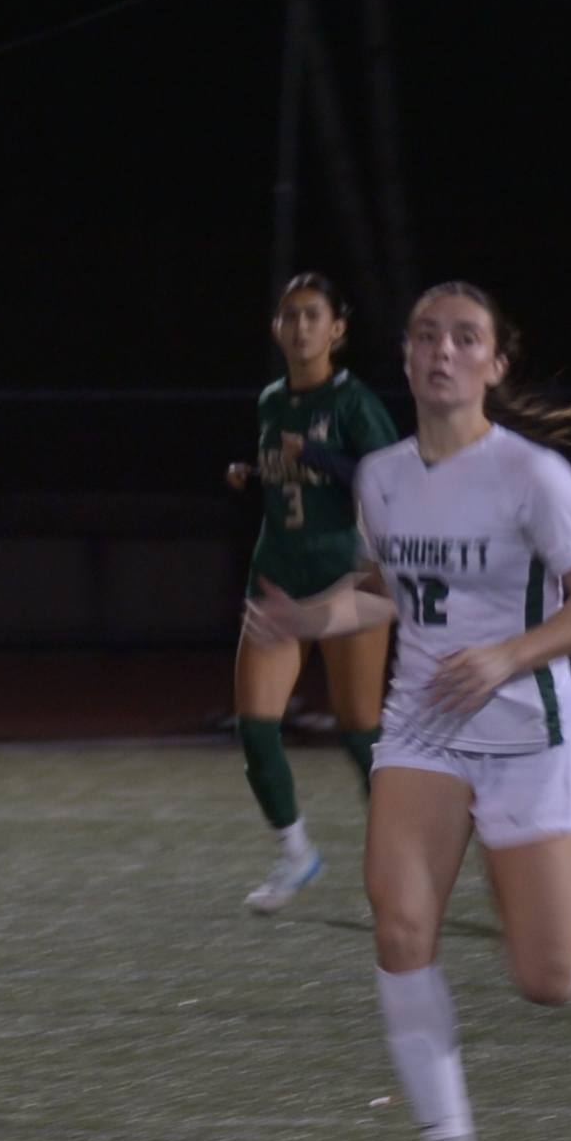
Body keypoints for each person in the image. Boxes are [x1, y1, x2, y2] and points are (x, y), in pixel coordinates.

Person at [247, 281, 571, 1141]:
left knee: (548, 980)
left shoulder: (533, 476)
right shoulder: (381, 476)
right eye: (425, 336)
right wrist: (310, 618)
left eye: (464, 337)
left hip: (528, 730)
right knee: (401, 925)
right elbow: (389, 591)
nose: (442, 350)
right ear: (406, 359)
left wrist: (507, 656)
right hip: (424, 725)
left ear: (495, 364)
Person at [225, 272, 401, 911]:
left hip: (346, 582)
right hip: (276, 576)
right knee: (256, 728)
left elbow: (393, 481)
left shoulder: (354, 402)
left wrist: (320, 458)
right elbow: (293, 482)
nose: (300, 326)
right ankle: (295, 852)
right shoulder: (272, 400)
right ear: (277, 327)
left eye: (313, 315)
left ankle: (407, 857)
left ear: (337, 329)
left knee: (360, 734)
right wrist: (256, 475)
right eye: (290, 315)